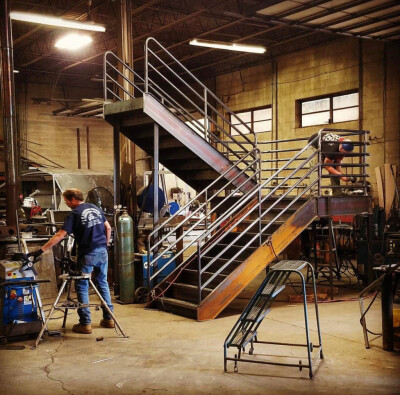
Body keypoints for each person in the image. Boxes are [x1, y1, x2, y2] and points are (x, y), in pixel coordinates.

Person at [28, 188, 114, 334]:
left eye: (67, 200)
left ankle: (85, 324)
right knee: (102, 282)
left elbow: (60, 235)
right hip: (102, 251)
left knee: (82, 285)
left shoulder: (74, 214)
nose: (67, 203)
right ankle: (109, 319)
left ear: (73, 198)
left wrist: (41, 250)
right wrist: (105, 245)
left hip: (88, 253)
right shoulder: (94, 208)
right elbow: (108, 227)